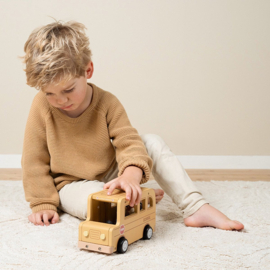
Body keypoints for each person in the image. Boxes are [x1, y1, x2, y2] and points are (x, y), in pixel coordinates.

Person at [20, 19, 244, 231]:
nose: (61, 100)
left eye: (68, 90)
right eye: (50, 93)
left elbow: (129, 143)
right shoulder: (41, 107)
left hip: (109, 171)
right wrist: (42, 203)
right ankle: (133, 198)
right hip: (71, 185)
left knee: (152, 142)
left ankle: (196, 207)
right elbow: (34, 158)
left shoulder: (107, 102)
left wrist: (130, 175)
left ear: (87, 70)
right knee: (100, 205)